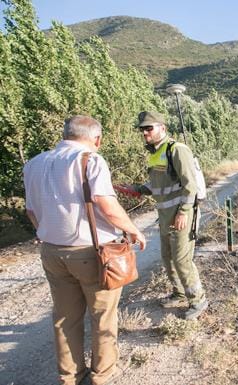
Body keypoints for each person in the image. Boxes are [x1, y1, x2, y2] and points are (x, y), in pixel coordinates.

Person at [23, 115, 147, 385]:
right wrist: (133, 229)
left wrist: (47, 234)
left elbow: (31, 211)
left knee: (65, 318)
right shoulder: (91, 160)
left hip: (52, 253)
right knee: (102, 315)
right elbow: (106, 203)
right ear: (97, 139)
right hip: (92, 254)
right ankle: (101, 376)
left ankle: (70, 377)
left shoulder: (33, 163)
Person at [118, 111, 207, 320]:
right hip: (165, 215)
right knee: (168, 258)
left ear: (162, 128)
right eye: (143, 129)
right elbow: (158, 184)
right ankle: (178, 293)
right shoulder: (156, 154)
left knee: (182, 259)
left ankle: (198, 300)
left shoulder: (177, 150)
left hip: (180, 214)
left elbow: (190, 185)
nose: (145, 132)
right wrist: (137, 188)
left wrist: (184, 212)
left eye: (149, 128)